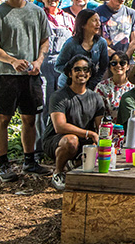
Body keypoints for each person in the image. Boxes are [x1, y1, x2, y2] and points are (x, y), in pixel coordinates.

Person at [0, 0, 50, 181]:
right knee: (3, 118)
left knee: (29, 118)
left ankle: (29, 160)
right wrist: (12, 61)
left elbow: (45, 40)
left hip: (30, 74)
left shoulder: (37, 12)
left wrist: (38, 61)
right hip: (5, 75)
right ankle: (3, 164)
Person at [44, 54, 106, 191]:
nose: (82, 73)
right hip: (57, 140)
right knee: (71, 141)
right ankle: (58, 173)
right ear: (69, 73)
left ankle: (75, 162)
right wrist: (89, 133)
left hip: (85, 141)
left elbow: (100, 126)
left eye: (86, 69)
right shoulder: (59, 96)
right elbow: (59, 126)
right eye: (77, 69)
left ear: (90, 74)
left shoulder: (95, 97)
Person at [34, 0, 74, 156]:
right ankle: (39, 148)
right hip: (43, 65)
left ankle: (58, 145)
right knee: (42, 106)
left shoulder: (69, 18)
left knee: (63, 106)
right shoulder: (37, 16)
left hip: (64, 66)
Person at [55, 9, 109, 90]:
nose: (98, 24)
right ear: (83, 24)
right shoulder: (71, 43)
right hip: (67, 87)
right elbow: (58, 66)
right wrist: (75, 73)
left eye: (99, 20)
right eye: (94, 20)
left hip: (90, 87)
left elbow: (103, 67)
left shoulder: (101, 43)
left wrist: (93, 82)